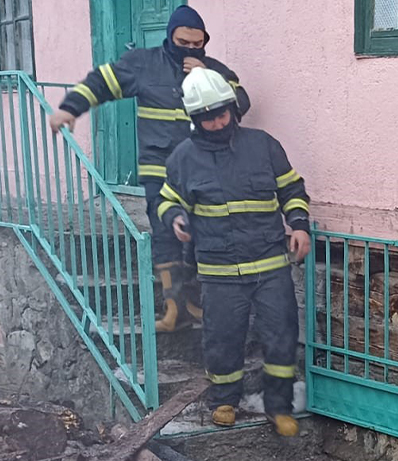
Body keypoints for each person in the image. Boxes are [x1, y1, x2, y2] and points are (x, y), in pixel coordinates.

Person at [49, 5, 251, 333]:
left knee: (202, 235)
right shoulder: (142, 64)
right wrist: (71, 108)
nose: (189, 48)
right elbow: (101, 83)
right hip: (160, 168)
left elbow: (242, 103)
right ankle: (173, 308)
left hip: (203, 170)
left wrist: (206, 75)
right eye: (182, 42)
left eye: (196, 43)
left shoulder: (214, 69)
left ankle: (195, 302)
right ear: (169, 36)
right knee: (165, 234)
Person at [157, 68, 311, 436]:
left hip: (271, 265)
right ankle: (224, 400)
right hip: (219, 271)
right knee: (222, 338)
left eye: (221, 113)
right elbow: (166, 201)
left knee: (281, 336)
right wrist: (176, 218)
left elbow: (292, 189)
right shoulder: (183, 157)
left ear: (232, 108)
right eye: (207, 117)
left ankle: (279, 406)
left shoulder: (263, 145)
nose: (216, 122)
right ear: (195, 119)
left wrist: (300, 225)